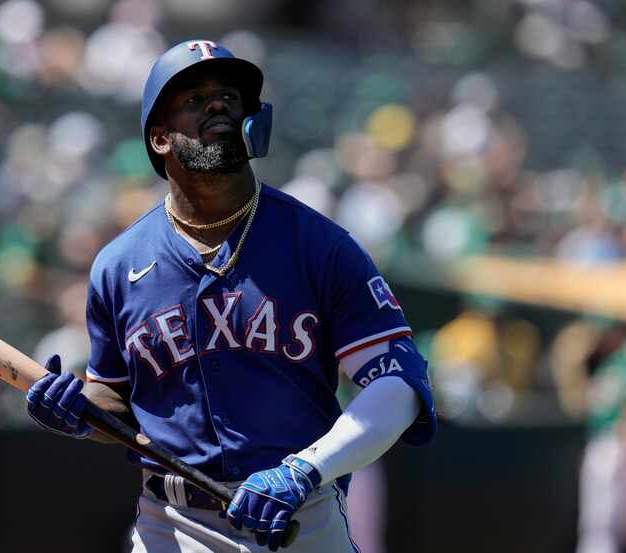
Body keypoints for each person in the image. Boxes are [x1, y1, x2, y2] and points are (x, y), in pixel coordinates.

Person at [26, 39, 437, 553]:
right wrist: (76, 411)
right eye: (195, 100)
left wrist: (307, 469)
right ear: (159, 139)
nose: (218, 104)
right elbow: (115, 401)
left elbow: (399, 384)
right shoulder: (119, 264)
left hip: (299, 515)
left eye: (231, 97)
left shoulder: (318, 244)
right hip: (172, 524)